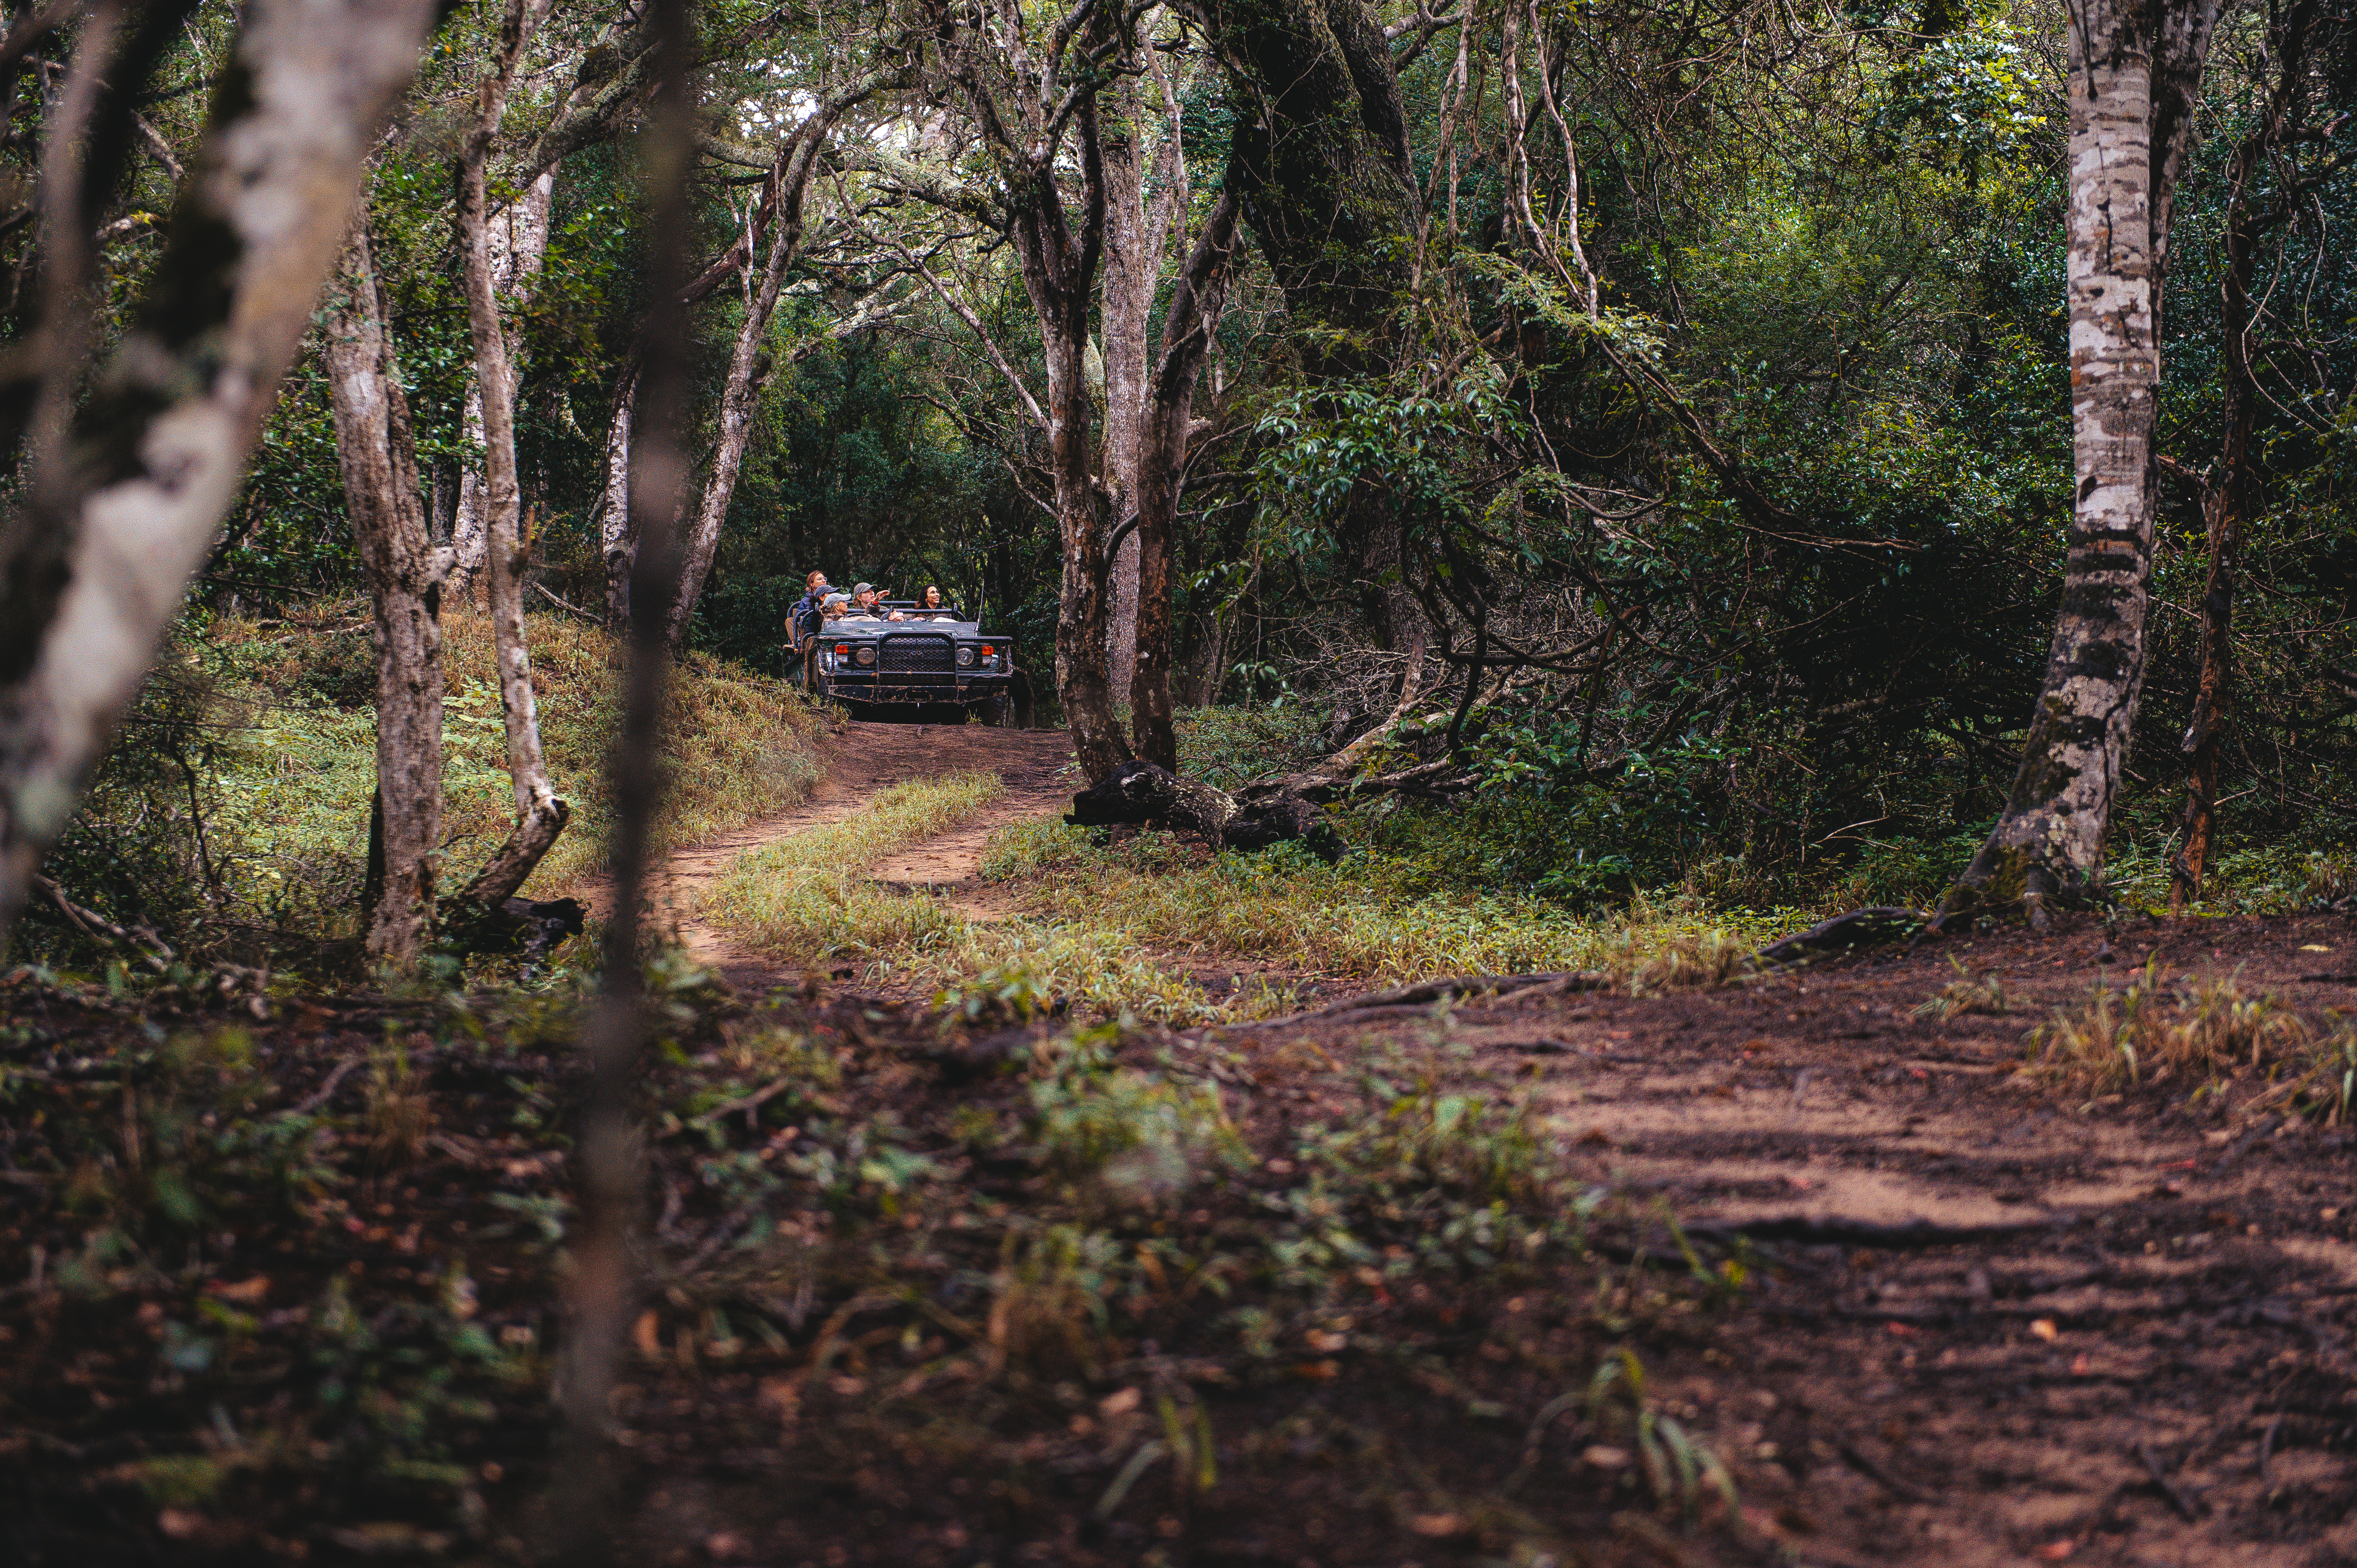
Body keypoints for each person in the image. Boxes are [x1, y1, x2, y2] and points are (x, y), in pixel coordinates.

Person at [788, 570, 830, 649]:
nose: (824, 581)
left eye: (824, 578)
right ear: (812, 584)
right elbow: (800, 619)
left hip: (826, 625)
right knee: (790, 621)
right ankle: (796, 645)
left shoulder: (831, 595)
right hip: (810, 628)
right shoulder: (806, 600)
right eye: (820, 579)